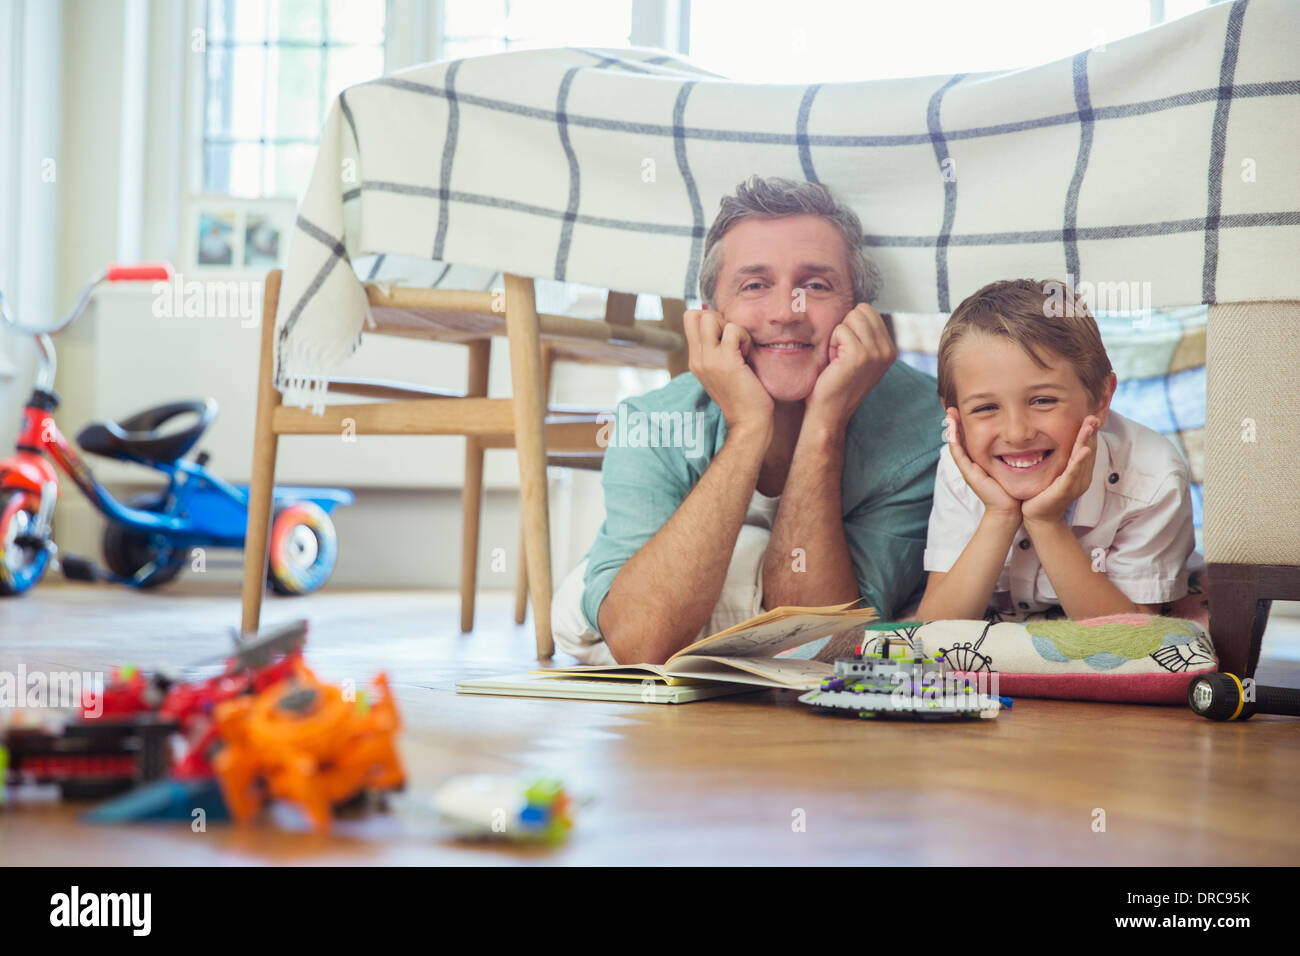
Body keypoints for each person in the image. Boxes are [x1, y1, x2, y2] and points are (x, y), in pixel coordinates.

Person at [551, 175, 945, 665]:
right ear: (711, 318)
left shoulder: (923, 430)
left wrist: (824, 426)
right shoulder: (652, 423)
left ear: (860, 314)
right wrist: (748, 430)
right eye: (755, 285)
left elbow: (818, 641)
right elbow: (641, 641)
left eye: (816, 285)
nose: (785, 312)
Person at [914, 278, 1204, 622]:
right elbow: (935, 626)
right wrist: (1000, 516)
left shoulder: (1152, 476)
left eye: (1043, 400)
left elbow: (1130, 634)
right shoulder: (959, 466)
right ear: (955, 417)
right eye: (986, 408)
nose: (1017, 433)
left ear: (1101, 398)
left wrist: (1046, 522)